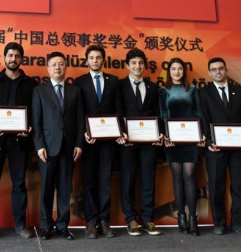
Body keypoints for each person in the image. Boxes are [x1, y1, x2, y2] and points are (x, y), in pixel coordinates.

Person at [0, 42, 37, 242]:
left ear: (22, 59)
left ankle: (21, 225)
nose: (13, 59)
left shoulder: (31, 83)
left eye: (17, 56)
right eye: (10, 55)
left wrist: (30, 127)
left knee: (20, 184)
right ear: (4, 58)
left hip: (20, 142)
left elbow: (34, 112)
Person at [32, 51, 85, 241]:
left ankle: (63, 226)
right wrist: (39, 146)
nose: (57, 67)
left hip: (69, 147)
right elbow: (36, 121)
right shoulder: (39, 91)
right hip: (47, 147)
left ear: (65, 67)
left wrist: (79, 143)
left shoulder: (75, 91)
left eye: (61, 64)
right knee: (46, 188)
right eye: (54, 64)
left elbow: (80, 120)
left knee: (64, 189)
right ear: (47, 68)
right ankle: (46, 226)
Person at [200, 57, 241, 236]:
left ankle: (239, 223)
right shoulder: (204, 93)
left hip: (238, 148)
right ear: (209, 73)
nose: (218, 72)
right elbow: (203, 119)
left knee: (240, 185)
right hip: (215, 148)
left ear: (226, 70)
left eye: (221, 68)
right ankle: (220, 223)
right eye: (214, 69)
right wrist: (209, 142)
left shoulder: (239, 91)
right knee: (216, 186)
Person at [74, 45, 121, 238]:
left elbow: (118, 108)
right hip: (89, 140)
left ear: (103, 60)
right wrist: (84, 132)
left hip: (109, 141)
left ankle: (104, 220)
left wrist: (118, 130)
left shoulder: (114, 81)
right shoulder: (79, 82)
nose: (95, 60)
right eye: (91, 57)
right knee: (90, 181)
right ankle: (91, 221)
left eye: (98, 57)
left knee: (105, 180)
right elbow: (77, 112)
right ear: (87, 61)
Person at [117, 48, 163, 236]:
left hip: (148, 143)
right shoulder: (119, 86)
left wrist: (159, 133)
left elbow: (157, 114)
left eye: (141, 63)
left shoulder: (153, 87)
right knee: (127, 179)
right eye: (134, 63)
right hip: (127, 142)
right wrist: (121, 133)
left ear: (145, 65)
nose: (138, 66)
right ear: (127, 65)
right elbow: (118, 111)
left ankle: (147, 218)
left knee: (148, 179)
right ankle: (131, 219)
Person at [159, 57, 204, 236]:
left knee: (189, 175)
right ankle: (181, 218)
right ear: (169, 72)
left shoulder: (192, 89)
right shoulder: (163, 90)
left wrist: (200, 134)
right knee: (177, 177)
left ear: (184, 71)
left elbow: (198, 113)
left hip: (191, 139)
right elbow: (163, 114)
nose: (177, 72)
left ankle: (193, 218)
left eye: (179, 69)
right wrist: (166, 136)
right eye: (173, 69)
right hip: (172, 140)